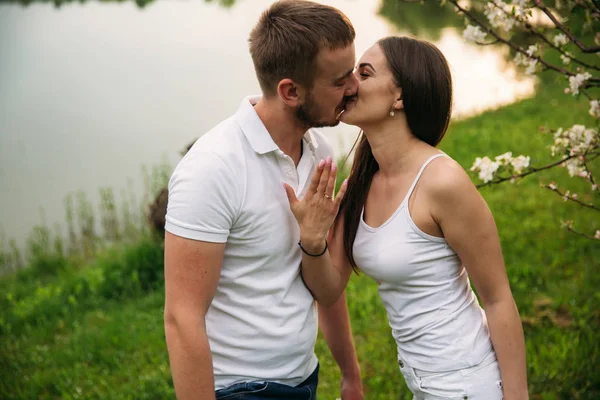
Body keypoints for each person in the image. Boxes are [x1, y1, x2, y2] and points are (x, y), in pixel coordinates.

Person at [284, 36, 529, 400]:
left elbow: (497, 299)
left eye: (364, 74)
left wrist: (517, 396)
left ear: (399, 97)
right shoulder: (359, 185)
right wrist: (313, 240)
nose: (350, 84)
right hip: (423, 385)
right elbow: (328, 289)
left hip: (467, 383)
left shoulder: (442, 182)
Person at [163, 1, 365, 399]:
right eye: (340, 80)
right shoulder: (212, 167)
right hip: (240, 388)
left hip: (303, 376)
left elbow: (322, 290)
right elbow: (182, 318)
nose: (355, 87)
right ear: (290, 91)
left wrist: (350, 374)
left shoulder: (318, 149)